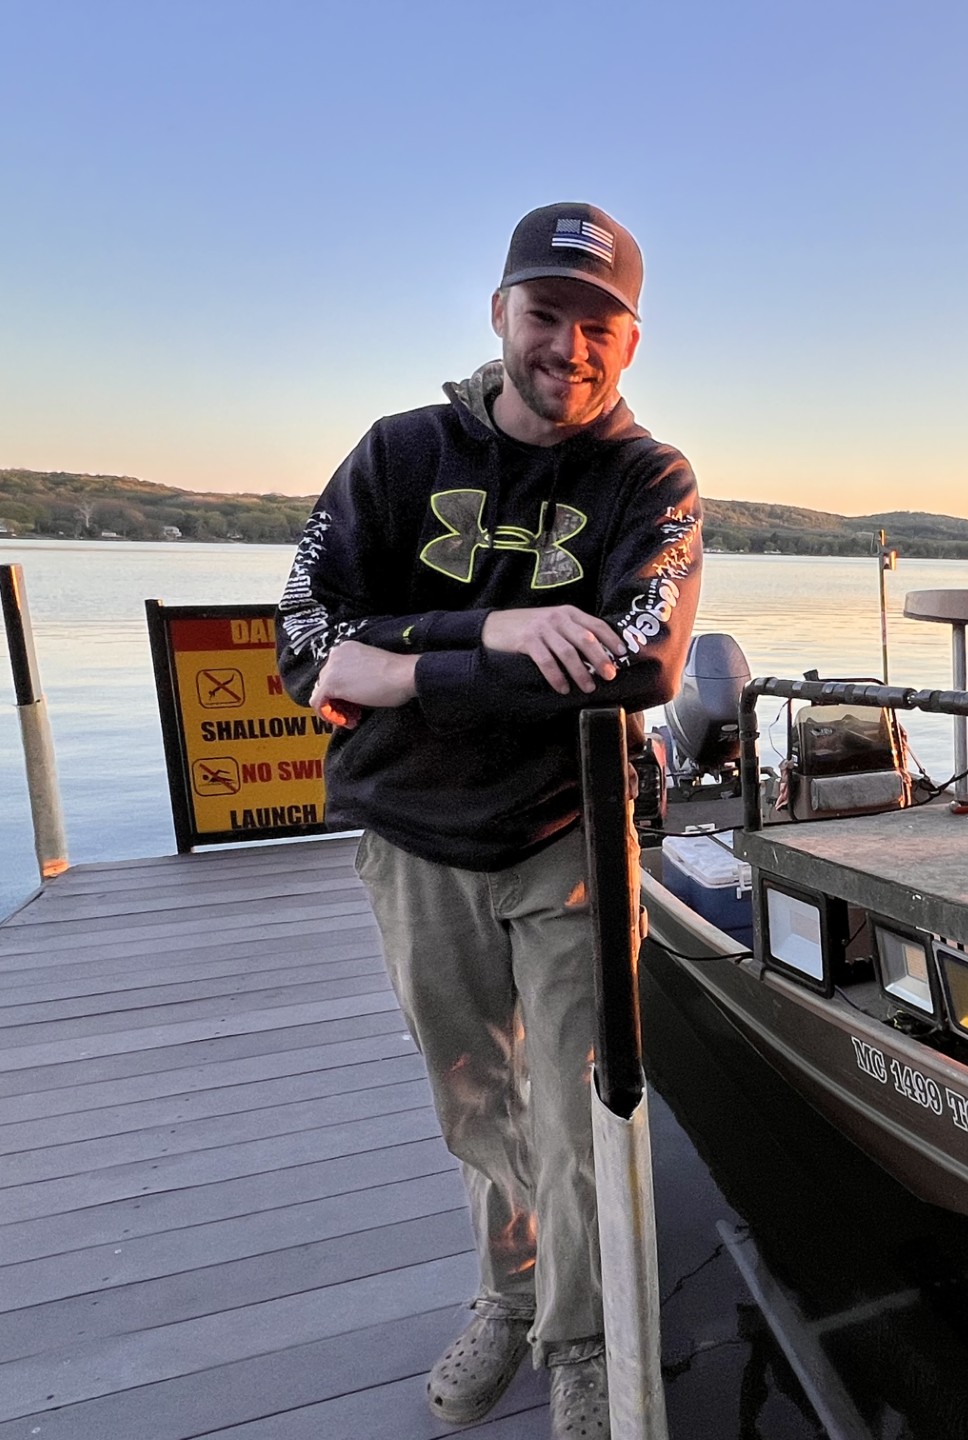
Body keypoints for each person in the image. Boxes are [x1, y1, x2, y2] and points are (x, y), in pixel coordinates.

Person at [275, 201, 700, 1440]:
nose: (569, 346)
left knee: (576, 1109)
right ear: (500, 315)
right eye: (546, 314)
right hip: (413, 838)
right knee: (474, 1099)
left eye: (598, 324)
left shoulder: (648, 479)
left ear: (630, 341)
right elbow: (306, 640)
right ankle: (508, 1298)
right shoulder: (398, 456)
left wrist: (402, 670)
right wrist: (493, 631)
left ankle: (577, 1338)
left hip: (569, 834)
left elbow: (640, 662)